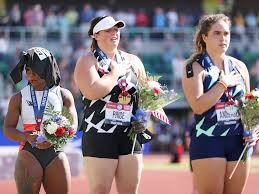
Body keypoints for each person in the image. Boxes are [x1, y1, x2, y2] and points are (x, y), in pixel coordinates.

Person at [182, 13, 259, 194]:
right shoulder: (194, 67)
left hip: (239, 141)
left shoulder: (240, 67)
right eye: (217, 33)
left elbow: (249, 106)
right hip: (209, 139)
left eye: (226, 33)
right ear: (205, 37)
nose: (223, 38)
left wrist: (254, 129)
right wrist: (222, 84)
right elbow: (198, 106)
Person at [74, 16, 150, 194]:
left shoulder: (133, 61)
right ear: (95, 35)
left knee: (130, 190)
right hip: (100, 132)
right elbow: (92, 92)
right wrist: (115, 73)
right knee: (100, 190)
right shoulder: (87, 61)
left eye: (117, 29)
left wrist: (144, 117)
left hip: (130, 133)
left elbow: (146, 98)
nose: (114, 33)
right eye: (108, 30)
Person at [4, 47, 78, 194]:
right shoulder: (18, 98)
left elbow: (73, 124)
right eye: (28, 70)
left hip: (55, 151)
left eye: (36, 71)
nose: (31, 75)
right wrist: (26, 137)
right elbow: (8, 129)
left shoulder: (63, 94)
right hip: (29, 152)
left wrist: (57, 137)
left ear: (47, 69)